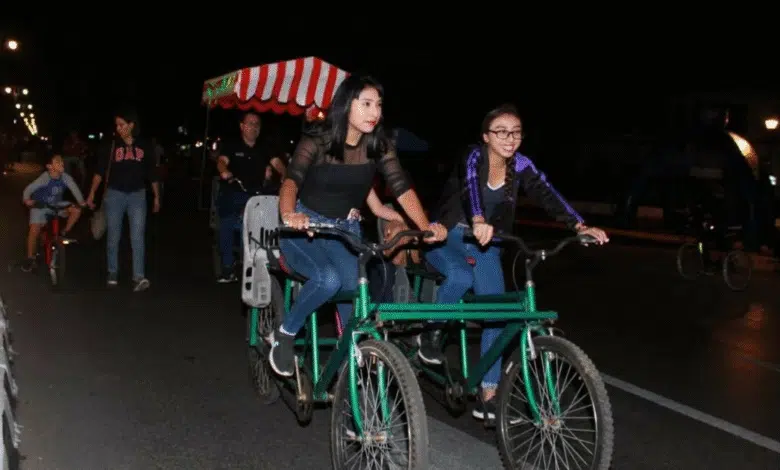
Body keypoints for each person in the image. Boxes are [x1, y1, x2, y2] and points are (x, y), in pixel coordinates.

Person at [421, 103, 609, 422]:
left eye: (516, 132)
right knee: (461, 277)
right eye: (501, 132)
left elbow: (549, 194)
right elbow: (470, 189)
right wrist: (477, 219)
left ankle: (489, 395)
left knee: (497, 310)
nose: (510, 139)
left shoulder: (520, 164)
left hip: (489, 243)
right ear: (486, 136)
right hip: (450, 234)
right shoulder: (474, 156)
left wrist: (579, 225)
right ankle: (432, 331)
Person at [268, 74, 448, 377]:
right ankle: (286, 334)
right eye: (366, 104)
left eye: (378, 104)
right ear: (345, 105)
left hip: (345, 231)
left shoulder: (379, 144)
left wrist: (424, 226)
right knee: (328, 281)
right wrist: (289, 215)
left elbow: (401, 186)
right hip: (306, 228)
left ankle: (352, 382)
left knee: (355, 290)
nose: (374, 112)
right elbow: (290, 183)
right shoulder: (318, 140)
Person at [86, 109, 160, 292]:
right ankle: (112, 271)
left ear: (131, 125)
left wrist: (157, 196)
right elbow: (100, 171)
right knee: (114, 235)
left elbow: (152, 172)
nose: (119, 128)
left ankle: (139, 276)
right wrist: (92, 193)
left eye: (122, 125)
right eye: (117, 125)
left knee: (137, 236)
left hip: (137, 195)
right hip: (115, 194)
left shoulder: (144, 145)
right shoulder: (111, 146)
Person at [214, 112, 287, 283]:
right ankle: (227, 268)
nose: (254, 127)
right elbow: (221, 161)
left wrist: (285, 174)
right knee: (227, 223)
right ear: (242, 126)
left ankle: (265, 265)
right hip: (234, 192)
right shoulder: (232, 145)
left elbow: (278, 163)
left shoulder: (265, 147)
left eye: (257, 124)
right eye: (250, 123)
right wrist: (223, 170)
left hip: (257, 195)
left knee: (269, 224)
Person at [20, 153, 85, 272]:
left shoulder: (65, 177)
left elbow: (75, 190)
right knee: (35, 229)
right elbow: (29, 189)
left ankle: (64, 232)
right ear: (49, 166)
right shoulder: (45, 178)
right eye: (57, 162)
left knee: (76, 210)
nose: (61, 163)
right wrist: (27, 199)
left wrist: (82, 203)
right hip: (40, 205)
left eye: (61, 161)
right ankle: (30, 258)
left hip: (56, 204)